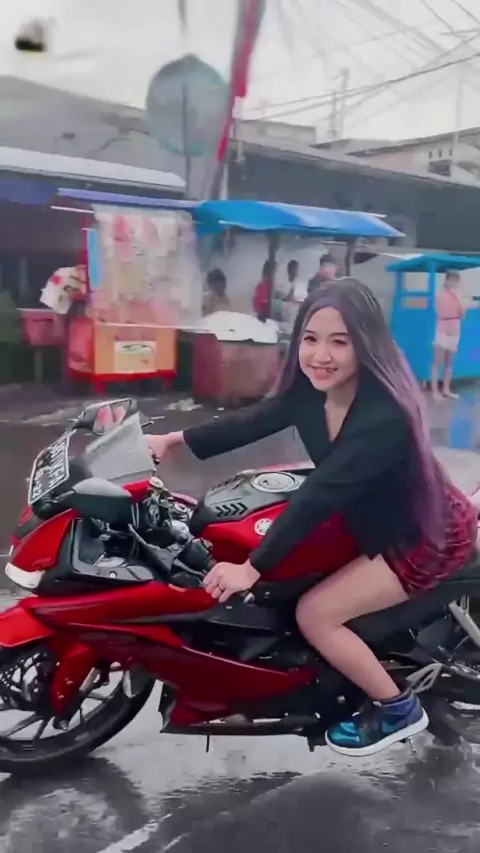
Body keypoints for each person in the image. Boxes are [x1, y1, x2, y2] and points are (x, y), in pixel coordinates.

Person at [147, 279, 477, 757]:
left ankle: (397, 708)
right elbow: (254, 422)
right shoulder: (311, 393)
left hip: (422, 536)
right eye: (311, 338)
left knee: (317, 615)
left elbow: (322, 493)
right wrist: (173, 441)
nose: (321, 355)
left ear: (365, 345)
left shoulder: (382, 415)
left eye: (339, 342)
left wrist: (251, 568)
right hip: (374, 516)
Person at [431, 270, 465, 401]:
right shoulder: (440, 294)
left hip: (455, 328)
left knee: (449, 362)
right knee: (437, 361)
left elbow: (462, 314)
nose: (453, 283)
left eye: (456, 280)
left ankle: (446, 389)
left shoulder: (459, 296)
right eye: (451, 280)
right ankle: (435, 391)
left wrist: (457, 297)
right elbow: (439, 310)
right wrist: (450, 294)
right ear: (446, 281)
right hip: (442, 328)